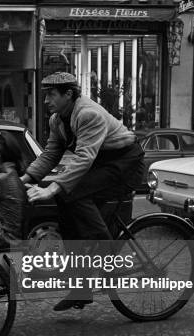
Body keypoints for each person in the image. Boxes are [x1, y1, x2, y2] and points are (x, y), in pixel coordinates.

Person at [21, 72, 145, 311]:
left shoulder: (88, 114)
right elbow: (50, 155)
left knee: (69, 193)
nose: (46, 100)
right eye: (45, 95)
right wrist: (24, 179)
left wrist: (54, 187)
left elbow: (84, 158)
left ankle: (110, 258)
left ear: (69, 94)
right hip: (102, 164)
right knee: (68, 210)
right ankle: (81, 288)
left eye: (51, 95)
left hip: (125, 164)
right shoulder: (57, 120)